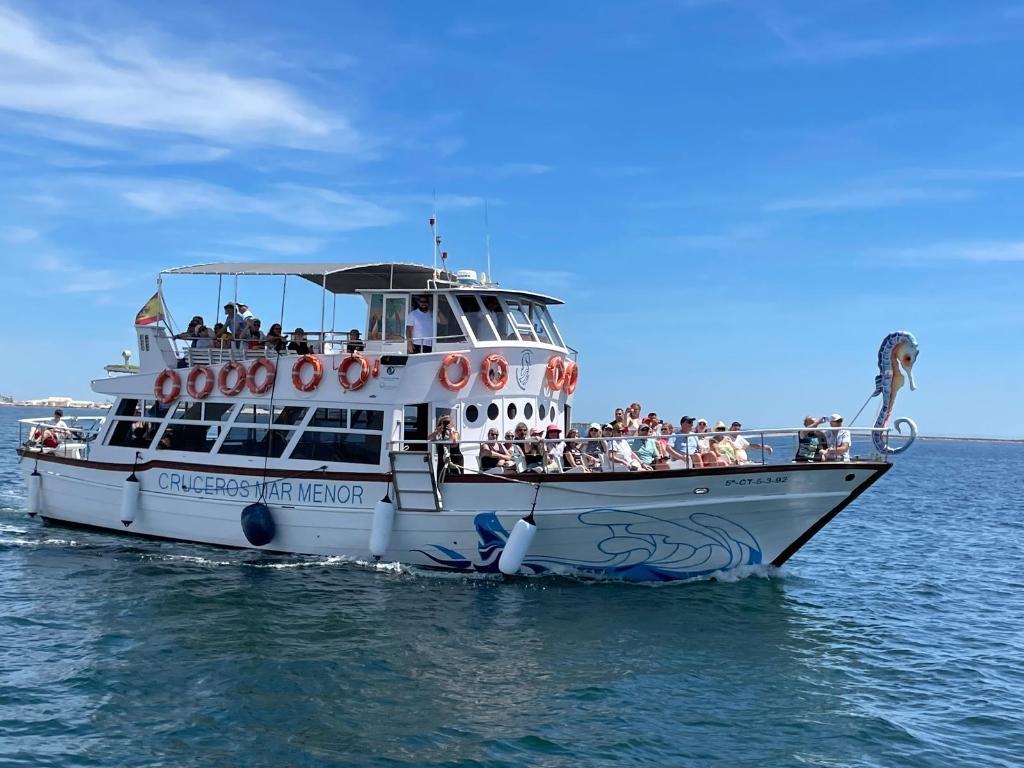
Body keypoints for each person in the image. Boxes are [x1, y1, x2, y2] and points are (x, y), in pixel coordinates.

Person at [429, 415, 463, 480]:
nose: (446, 424)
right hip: (442, 460)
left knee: (455, 480)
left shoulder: (455, 433)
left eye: (448, 422)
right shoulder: (438, 434)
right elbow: (428, 438)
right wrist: (437, 431)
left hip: (455, 459)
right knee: (441, 479)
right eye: (444, 422)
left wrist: (450, 431)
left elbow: (454, 444)